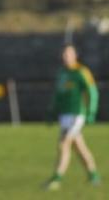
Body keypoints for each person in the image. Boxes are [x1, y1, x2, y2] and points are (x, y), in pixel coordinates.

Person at [44, 43, 101, 191]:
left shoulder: (81, 72)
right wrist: (52, 111)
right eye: (64, 54)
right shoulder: (62, 73)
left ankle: (56, 178)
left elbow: (92, 91)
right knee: (79, 147)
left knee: (63, 144)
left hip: (77, 115)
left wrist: (91, 111)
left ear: (75, 55)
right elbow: (58, 95)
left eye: (68, 54)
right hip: (65, 116)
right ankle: (93, 175)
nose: (66, 57)